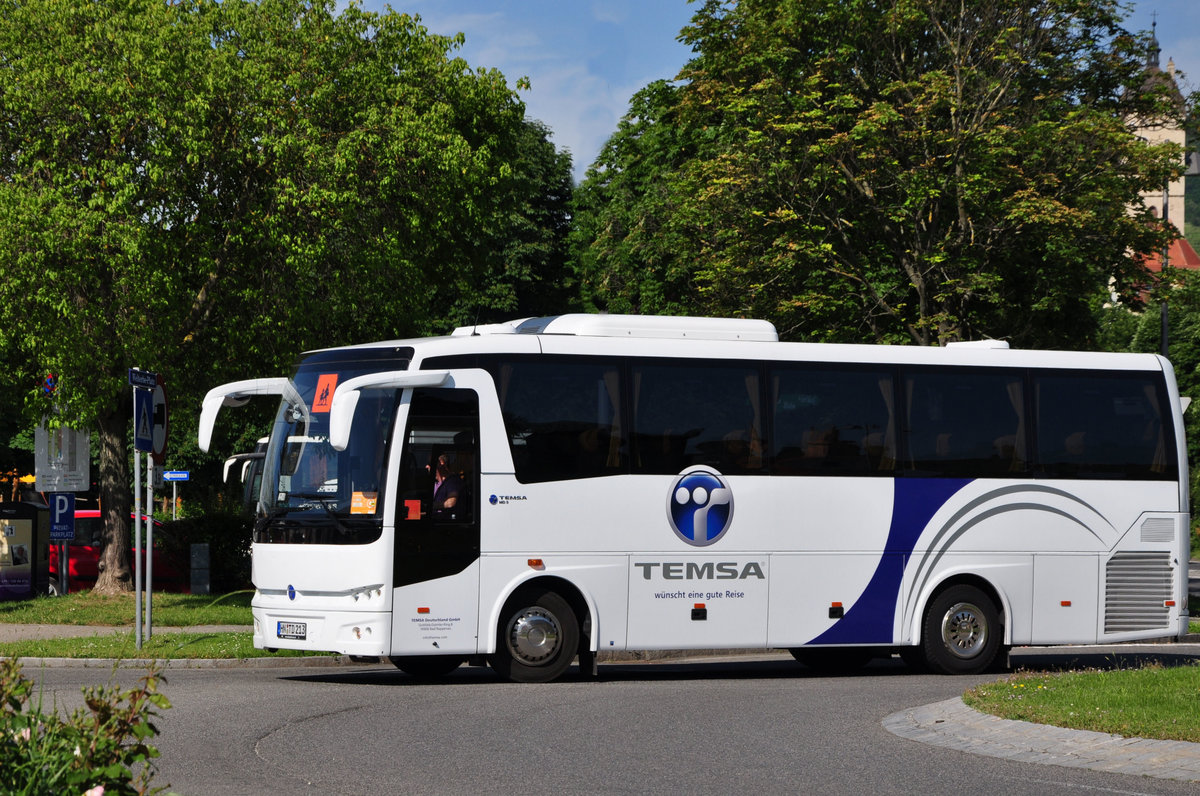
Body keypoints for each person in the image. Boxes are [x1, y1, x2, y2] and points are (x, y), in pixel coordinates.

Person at [432, 454, 463, 519]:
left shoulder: (452, 481)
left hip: (446, 521)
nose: (426, 466)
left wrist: (432, 505)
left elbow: (450, 503)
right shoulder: (436, 483)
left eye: (430, 463)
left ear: (441, 463)